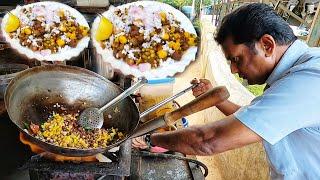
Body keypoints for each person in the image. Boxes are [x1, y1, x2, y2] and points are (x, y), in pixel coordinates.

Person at [133, 3, 320, 179]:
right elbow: (252, 120)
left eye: (237, 59)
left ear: (267, 46)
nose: (233, 70)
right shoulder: (295, 75)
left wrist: (149, 139)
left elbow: (207, 141)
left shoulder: (308, 80)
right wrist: (215, 98)